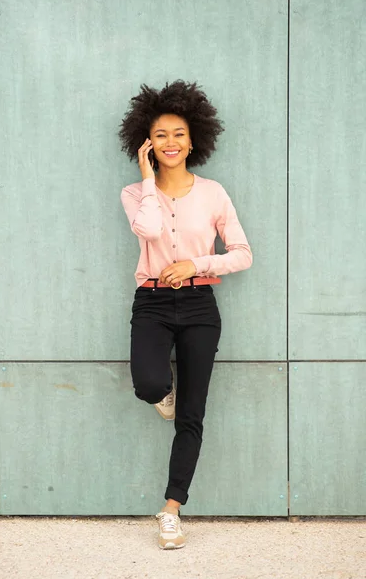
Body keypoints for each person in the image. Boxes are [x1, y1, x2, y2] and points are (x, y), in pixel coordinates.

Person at [119, 80, 252, 549]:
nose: (170, 142)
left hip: (199, 305)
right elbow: (150, 229)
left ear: (193, 140)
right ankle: (163, 393)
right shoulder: (136, 194)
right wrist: (147, 177)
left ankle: (171, 508)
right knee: (150, 384)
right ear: (147, 143)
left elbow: (242, 254)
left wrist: (196, 263)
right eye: (160, 136)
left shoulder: (214, 193)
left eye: (178, 133)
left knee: (191, 416)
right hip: (152, 303)